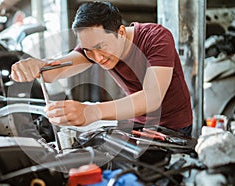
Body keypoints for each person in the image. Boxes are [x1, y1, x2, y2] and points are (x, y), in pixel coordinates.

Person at [10, 1, 193, 137]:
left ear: (121, 32)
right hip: (136, 123)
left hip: (173, 128)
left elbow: (151, 99)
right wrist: (36, 66)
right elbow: (56, 69)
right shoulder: (92, 48)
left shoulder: (156, 38)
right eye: (89, 51)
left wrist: (91, 112)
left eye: (100, 47)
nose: (97, 58)